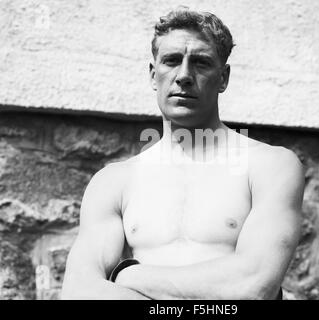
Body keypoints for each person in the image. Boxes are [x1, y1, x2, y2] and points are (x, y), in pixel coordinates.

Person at [61, 9, 305, 300]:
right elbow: (79, 291)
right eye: (172, 61)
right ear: (154, 75)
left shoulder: (269, 166)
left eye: (201, 63)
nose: (184, 76)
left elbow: (252, 286)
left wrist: (128, 274)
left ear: (223, 78)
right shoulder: (113, 182)